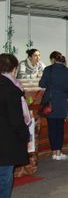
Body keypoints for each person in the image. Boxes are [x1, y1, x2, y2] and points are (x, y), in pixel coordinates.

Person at [0, 54, 30, 198]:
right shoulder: (11, 89)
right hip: (6, 142)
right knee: (4, 178)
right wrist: (25, 135)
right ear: (14, 68)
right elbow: (16, 120)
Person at [39, 51, 68, 161]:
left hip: (50, 103)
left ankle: (53, 151)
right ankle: (58, 152)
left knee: (51, 128)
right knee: (60, 128)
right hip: (61, 103)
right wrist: (64, 95)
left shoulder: (48, 69)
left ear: (53, 60)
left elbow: (42, 84)